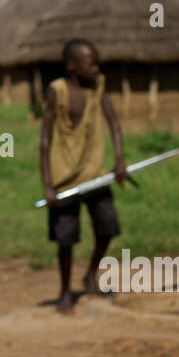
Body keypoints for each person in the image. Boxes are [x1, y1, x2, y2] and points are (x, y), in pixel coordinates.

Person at [39, 38, 129, 314]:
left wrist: (119, 159)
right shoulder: (58, 92)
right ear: (72, 66)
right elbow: (45, 138)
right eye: (91, 63)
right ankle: (65, 291)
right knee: (66, 239)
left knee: (108, 227)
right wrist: (48, 185)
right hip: (64, 178)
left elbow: (113, 121)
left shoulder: (98, 87)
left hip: (95, 174)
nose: (96, 68)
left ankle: (90, 275)